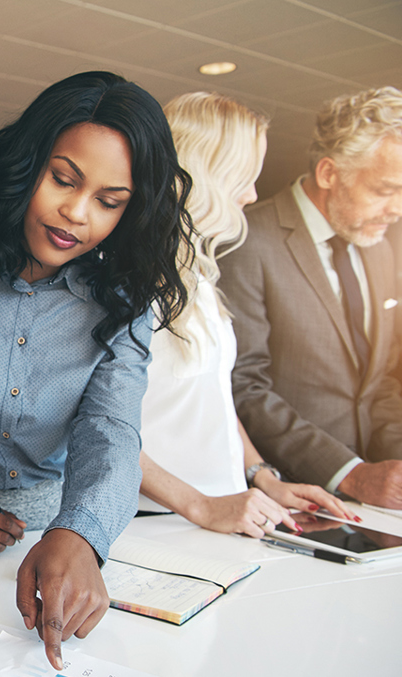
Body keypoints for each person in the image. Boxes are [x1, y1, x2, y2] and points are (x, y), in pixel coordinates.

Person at [0, 71, 190, 671]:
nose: (76, 214)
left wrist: (81, 534)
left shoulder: (123, 304)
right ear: (25, 166)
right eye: (63, 179)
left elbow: (110, 431)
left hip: (57, 536)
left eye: (109, 202)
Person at [137, 92, 354, 535]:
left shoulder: (196, 277)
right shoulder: (131, 284)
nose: (252, 194)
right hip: (152, 524)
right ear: (204, 172)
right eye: (242, 178)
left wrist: (263, 477)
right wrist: (200, 506)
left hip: (225, 517)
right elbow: (97, 430)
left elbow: (214, 401)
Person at [219, 86, 402, 510]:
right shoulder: (248, 240)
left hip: (377, 508)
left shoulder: (381, 246)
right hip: (288, 501)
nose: (396, 209)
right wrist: (351, 473)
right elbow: (243, 386)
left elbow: (382, 382)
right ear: (328, 174)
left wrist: (390, 470)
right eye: (384, 189)